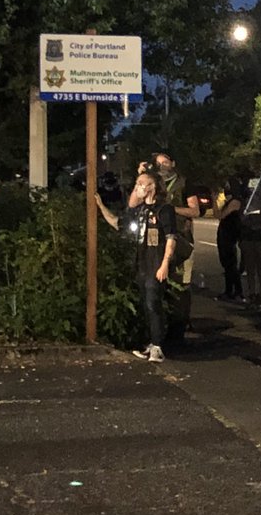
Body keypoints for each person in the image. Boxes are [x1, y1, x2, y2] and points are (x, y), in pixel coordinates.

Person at [95, 170, 177, 363]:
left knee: (153, 303)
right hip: (141, 265)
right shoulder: (139, 211)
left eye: (141, 183)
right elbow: (118, 224)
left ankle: (158, 347)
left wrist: (164, 264)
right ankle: (151, 344)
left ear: (152, 187)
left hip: (156, 265)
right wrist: (100, 206)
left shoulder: (164, 210)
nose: (137, 187)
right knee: (146, 305)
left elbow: (171, 238)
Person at [130, 152, 201, 340]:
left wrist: (168, 209)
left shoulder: (183, 183)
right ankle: (160, 330)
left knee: (182, 284)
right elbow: (132, 204)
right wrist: (141, 179)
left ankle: (180, 326)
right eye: (158, 163)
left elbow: (195, 210)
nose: (162, 166)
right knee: (155, 286)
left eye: (166, 162)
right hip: (155, 243)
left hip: (182, 240)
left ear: (173, 163)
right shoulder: (152, 184)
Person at [213, 179, 244, 301]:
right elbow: (217, 215)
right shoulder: (229, 201)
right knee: (227, 264)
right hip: (224, 233)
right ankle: (230, 291)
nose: (225, 188)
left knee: (231, 264)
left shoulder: (235, 201)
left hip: (230, 235)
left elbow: (221, 215)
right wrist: (214, 200)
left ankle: (236, 292)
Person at [238, 207, 261, 309]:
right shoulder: (247, 206)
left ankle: (260, 296)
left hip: (259, 240)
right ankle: (252, 295)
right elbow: (240, 221)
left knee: (260, 270)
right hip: (250, 239)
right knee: (251, 270)